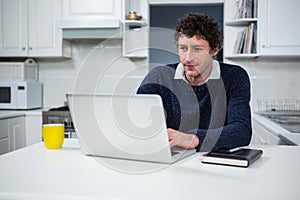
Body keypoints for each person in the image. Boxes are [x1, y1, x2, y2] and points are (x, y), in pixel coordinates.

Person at [137, 13, 252, 152]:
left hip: (214, 162)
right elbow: (139, 125)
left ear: (214, 50)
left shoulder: (234, 77)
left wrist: (195, 139)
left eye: (197, 49)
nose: (188, 58)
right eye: (183, 48)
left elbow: (242, 131)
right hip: (169, 160)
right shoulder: (158, 77)